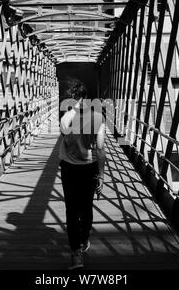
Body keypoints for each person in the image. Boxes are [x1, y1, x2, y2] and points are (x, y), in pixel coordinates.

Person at [59, 79, 106, 270]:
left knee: (71, 209)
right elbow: (101, 148)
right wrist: (101, 176)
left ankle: (76, 253)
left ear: (72, 98)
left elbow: (68, 140)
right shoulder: (97, 117)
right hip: (89, 167)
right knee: (86, 207)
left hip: (69, 168)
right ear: (86, 98)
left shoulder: (64, 119)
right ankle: (84, 238)